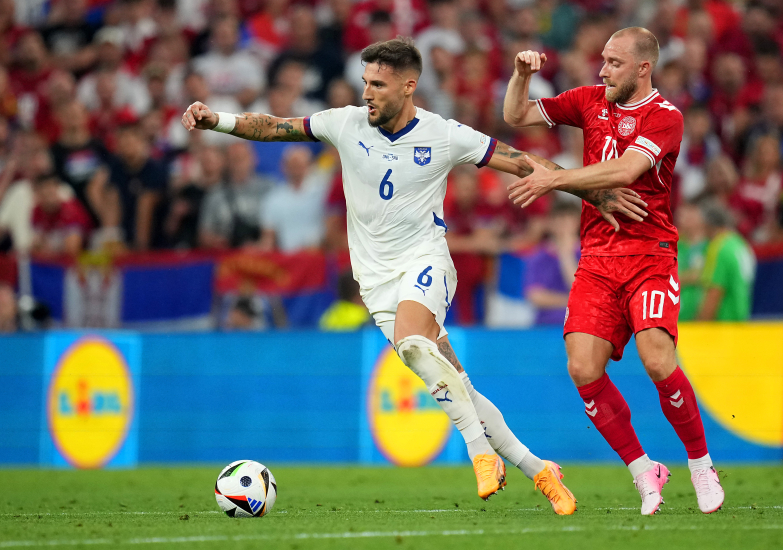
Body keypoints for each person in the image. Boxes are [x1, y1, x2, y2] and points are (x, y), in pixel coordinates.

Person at [182, 37, 646, 512]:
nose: (367, 94)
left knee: (413, 343)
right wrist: (216, 119)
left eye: (378, 85)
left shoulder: (444, 134)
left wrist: (594, 193)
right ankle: (540, 470)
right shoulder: (344, 123)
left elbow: (526, 162)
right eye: (364, 82)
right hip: (375, 281)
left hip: (426, 261)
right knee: (457, 385)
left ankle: (479, 453)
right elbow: (274, 127)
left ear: (408, 86)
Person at [503, 27, 725, 515]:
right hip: (598, 259)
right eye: (602, 60)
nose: (603, 70)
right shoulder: (588, 101)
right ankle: (644, 469)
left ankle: (701, 465)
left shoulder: (665, 117)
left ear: (644, 68)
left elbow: (627, 171)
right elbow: (515, 116)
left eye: (615, 63)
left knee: (657, 359)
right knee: (582, 368)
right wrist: (520, 77)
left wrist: (554, 179)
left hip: (649, 253)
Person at [696, 199, 755, 322]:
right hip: (741, 320)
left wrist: (698, 327)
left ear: (708, 224)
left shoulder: (719, 248)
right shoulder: (740, 244)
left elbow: (715, 291)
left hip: (722, 325)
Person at [523, 201, 580, 325]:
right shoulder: (539, 256)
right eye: (558, 219)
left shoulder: (589, 254)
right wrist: (569, 300)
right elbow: (534, 295)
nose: (563, 224)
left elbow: (579, 289)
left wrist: (566, 254)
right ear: (550, 223)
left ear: (578, 222)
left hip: (580, 325)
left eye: (568, 219)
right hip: (546, 325)